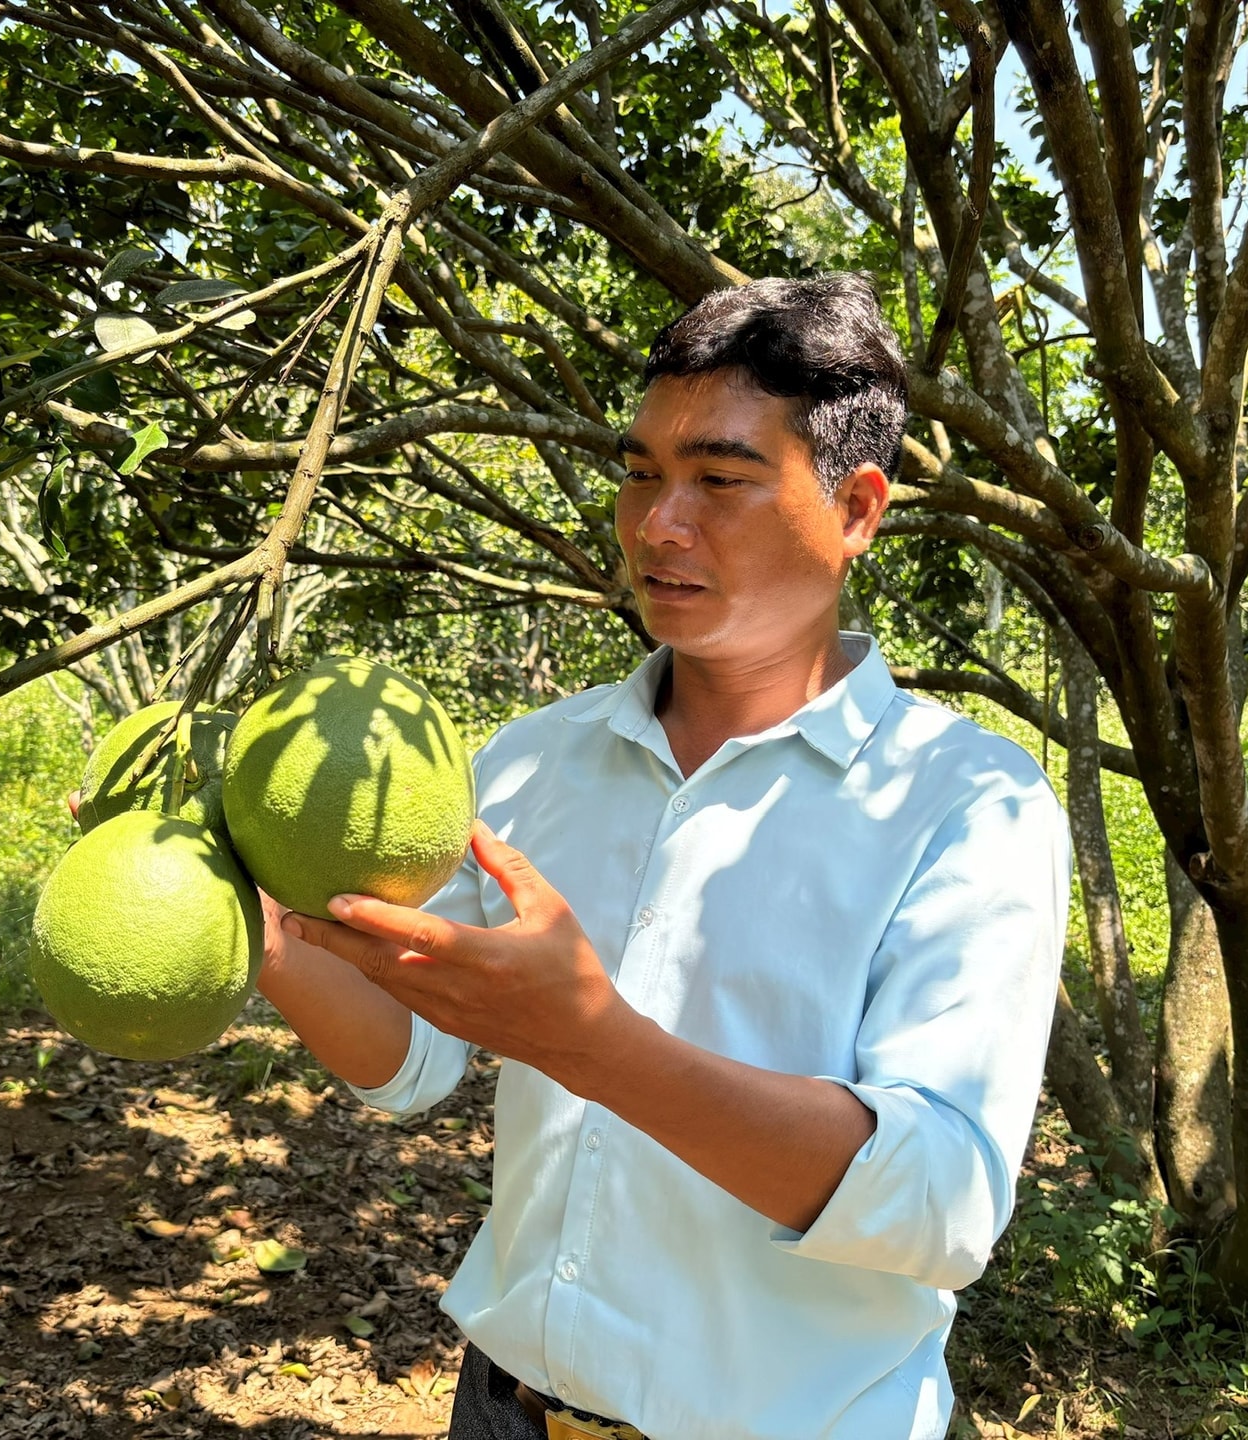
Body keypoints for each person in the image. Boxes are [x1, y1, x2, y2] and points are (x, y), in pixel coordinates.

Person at [256, 274, 1071, 1440]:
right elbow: (414, 1058)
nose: (658, 524)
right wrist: (265, 933)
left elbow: (939, 1203)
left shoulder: (965, 801)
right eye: (641, 472)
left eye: (721, 480)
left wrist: (592, 1045)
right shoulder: (540, 758)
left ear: (857, 510)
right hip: (507, 1408)